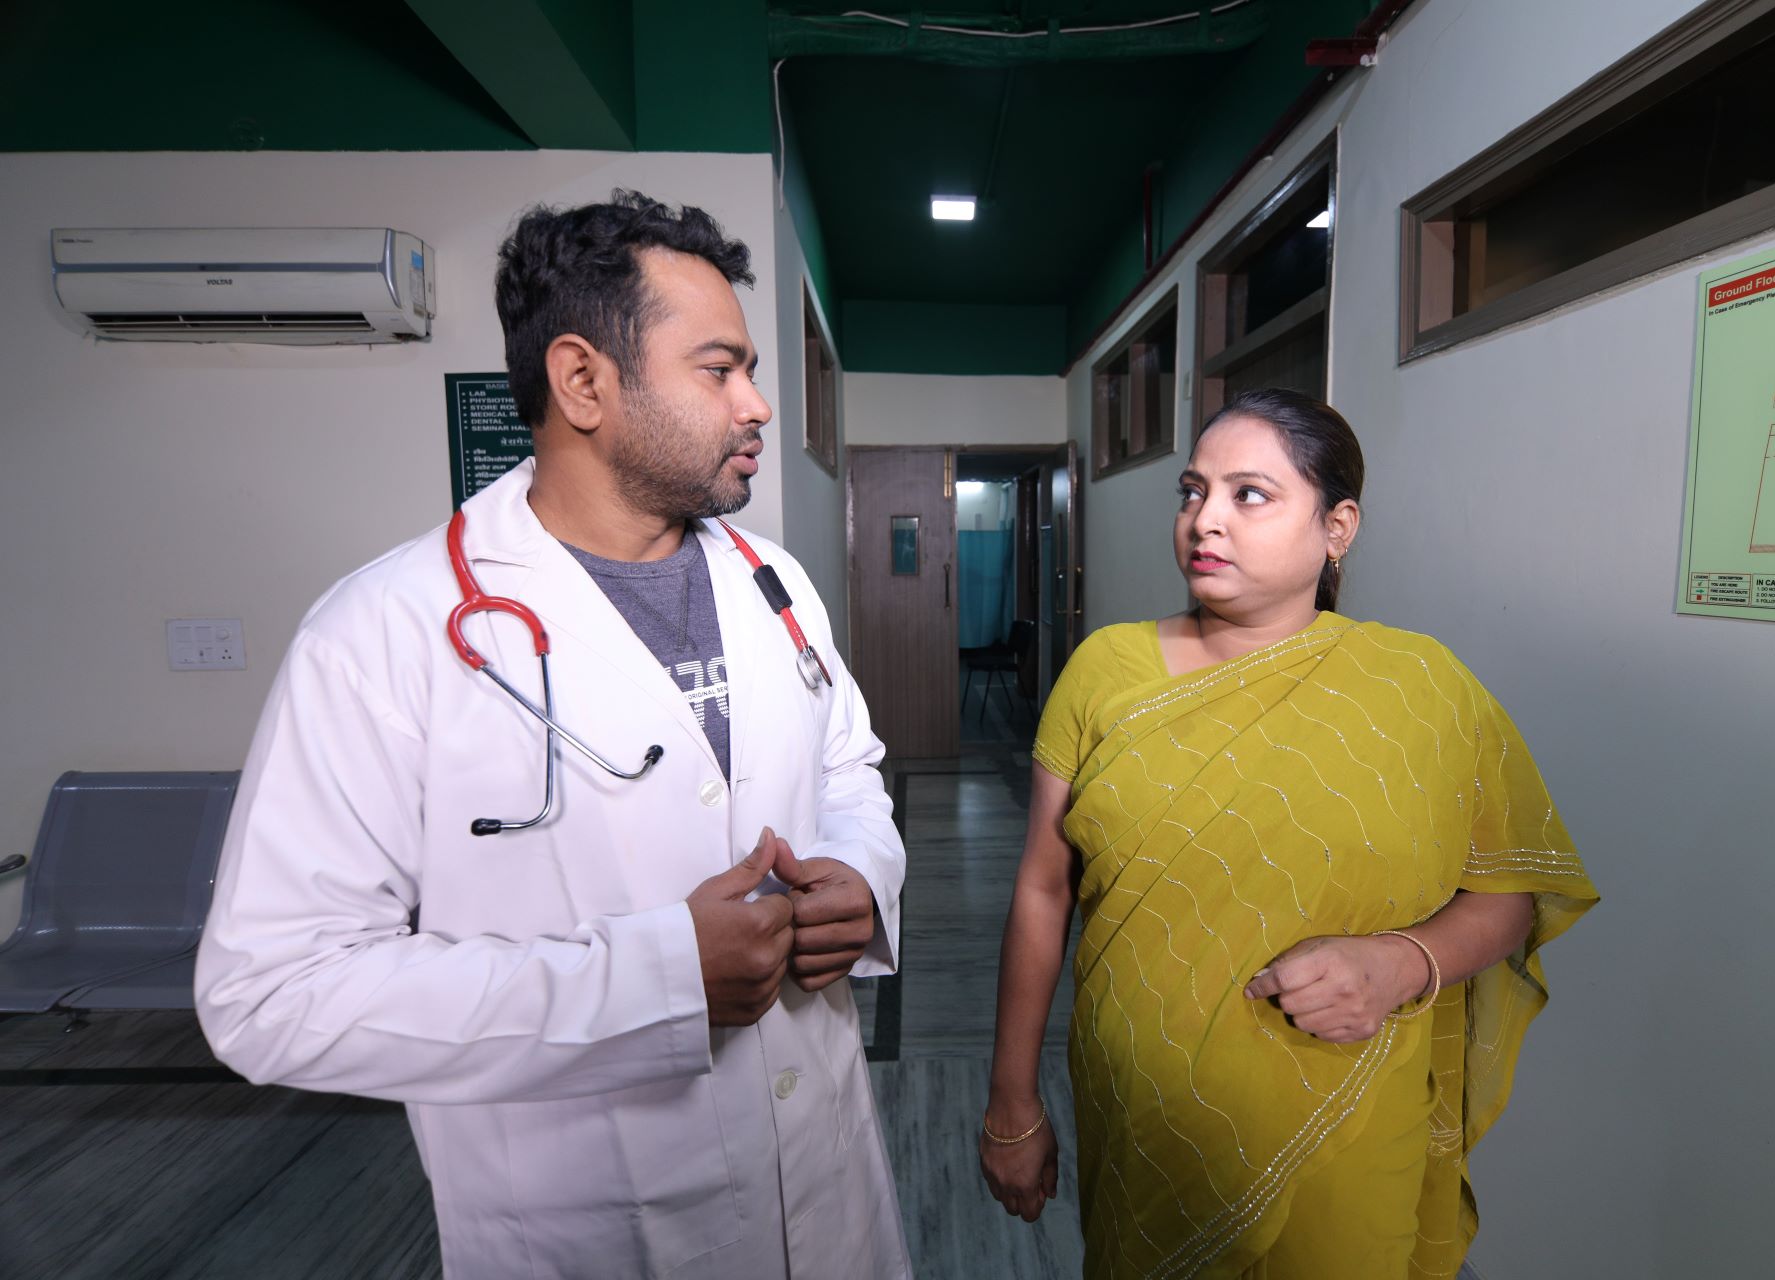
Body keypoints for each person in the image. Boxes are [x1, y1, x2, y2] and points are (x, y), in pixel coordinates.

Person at [195, 191, 911, 1279]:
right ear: (583, 380)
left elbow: (848, 767)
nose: (758, 403)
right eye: (719, 370)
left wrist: (859, 873)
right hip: (586, 1224)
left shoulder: (776, 584)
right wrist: (651, 978)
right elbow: (270, 994)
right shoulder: (386, 629)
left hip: (824, 1174)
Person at [980, 389, 1597, 1278]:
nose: (1205, 521)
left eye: (1250, 495)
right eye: (1193, 492)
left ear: (1337, 526)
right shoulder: (1105, 671)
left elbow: (1506, 894)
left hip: (1352, 1112)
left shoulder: (1422, 690)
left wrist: (1399, 964)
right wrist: (1012, 1103)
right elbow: (1043, 887)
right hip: (1151, 1123)